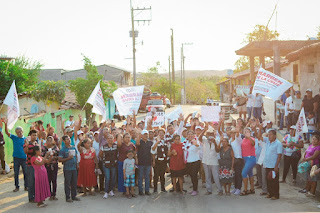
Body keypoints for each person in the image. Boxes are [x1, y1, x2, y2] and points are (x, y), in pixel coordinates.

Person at [4, 120, 28, 192]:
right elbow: (7, 133)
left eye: (20, 131)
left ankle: (26, 186)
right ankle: (17, 187)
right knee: (16, 173)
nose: (19, 133)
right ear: (16, 133)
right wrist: (5, 124)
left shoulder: (25, 139)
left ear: (22, 131)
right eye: (17, 132)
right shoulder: (14, 138)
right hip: (16, 158)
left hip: (24, 158)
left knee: (25, 173)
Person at [199, 125, 223, 195]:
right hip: (205, 161)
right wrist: (204, 130)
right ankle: (209, 190)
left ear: (214, 134)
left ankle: (220, 190)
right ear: (207, 134)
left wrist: (214, 142)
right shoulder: (204, 140)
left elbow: (218, 150)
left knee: (216, 177)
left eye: (211, 134)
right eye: (209, 134)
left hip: (214, 161)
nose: (210, 135)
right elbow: (199, 138)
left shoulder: (217, 140)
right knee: (207, 176)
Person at [262, 129, 283, 200]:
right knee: (268, 180)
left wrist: (276, 166)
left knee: (274, 181)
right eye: (268, 135)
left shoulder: (278, 143)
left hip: (274, 165)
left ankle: (276, 195)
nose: (269, 136)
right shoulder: (268, 142)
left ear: (275, 136)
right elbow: (259, 137)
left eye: (271, 135)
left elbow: (279, 155)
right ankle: (270, 193)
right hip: (267, 164)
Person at [58, 135, 80, 202]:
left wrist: (77, 164)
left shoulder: (73, 147)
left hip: (74, 168)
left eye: (69, 139)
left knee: (74, 182)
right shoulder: (63, 149)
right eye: (67, 139)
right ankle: (68, 197)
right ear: (64, 141)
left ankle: (74, 196)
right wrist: (68, 158)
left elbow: (76, 156)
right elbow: (60, 159)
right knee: (67, 183)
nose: (69, 140)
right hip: (67, 168)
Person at [151, 128, 169, 193]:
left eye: (162, 133)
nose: (161, 134)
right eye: (160, 133)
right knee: (156, 175)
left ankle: (163, 188)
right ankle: (155, 189)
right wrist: (153, 161)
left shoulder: (166, 141)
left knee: (162, 175)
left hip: (163, 161)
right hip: (157, 161)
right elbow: (152, 150)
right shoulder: (155, 141)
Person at [99, 134, 118, 199]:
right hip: (106, 165)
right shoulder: (103, 146)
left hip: (113, 164)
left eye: (111, 138)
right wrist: (104, 160)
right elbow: (100, 154)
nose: (110, 140)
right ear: (107, 140)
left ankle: (111, 190)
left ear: (113, 139)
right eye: (109, 138)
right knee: (107, 178)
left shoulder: (116, 146)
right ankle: (106, 192)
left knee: (113, 178)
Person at [183, 130, 201, 196]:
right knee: (191, 176)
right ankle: (194, 189)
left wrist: (196, 144)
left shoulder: (196, 141)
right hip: (188, 162)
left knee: (194, 176)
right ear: (187, 135)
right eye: (189, 134)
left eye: (191, 134)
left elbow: (199, 146)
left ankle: (195, 190)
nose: (190, 135)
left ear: (194, 135)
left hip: (195, 161)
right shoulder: (185, 142)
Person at [42, 136, 60, 200]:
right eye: (48, 140)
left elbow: (59, 155)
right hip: (47, 165)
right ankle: (49, 194)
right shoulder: (44, 148)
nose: (49, 142)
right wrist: (47, 155)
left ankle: (54, 194)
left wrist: (54, 156)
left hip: (54, 165)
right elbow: (42, 156)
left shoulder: (55, 148)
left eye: (51, 140)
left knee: (54, 180)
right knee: (48, 180)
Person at [24, 130, 39, 202]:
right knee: (31, 182)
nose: (34, 136)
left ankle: (36, 196)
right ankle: (31, 197)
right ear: (30, 136)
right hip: (30, 165)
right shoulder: (27, 143)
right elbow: (26, 152)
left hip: (37, 165)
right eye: (33, 135)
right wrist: (26, 145)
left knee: (36, 181)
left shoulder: (37, 143)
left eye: (35, 135)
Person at [240, 127, 256, 196]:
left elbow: (253, 144)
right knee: (250, 173)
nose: (246, 133)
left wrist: (249, 137)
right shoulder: (243, 139)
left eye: (247, 131)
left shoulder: (252, 139)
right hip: (245, 158)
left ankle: (245, 190)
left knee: (244, 173)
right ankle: (252, 189)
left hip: (251, 158)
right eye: (245, 131)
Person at [136, 130, 152, 196]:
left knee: (147, 177)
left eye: (147, 134)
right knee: (140, 177)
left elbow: (153, 152)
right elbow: (137, 143)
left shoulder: (150, 142)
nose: (146, 135)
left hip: (148, 162)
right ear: (142, 135)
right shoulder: (140, 142)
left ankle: (147, 190)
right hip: (141, 163)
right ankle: (140, 191)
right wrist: (139, 135)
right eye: (144, 134)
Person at [229, 126, 243, 195]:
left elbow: (237, 135)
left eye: (234, 133)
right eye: (231, 133)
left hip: (238, 159)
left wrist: (237, 131)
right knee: (234, 175)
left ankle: (239, 188)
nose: (233, 134)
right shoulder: (230, 141)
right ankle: (235, 187)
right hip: (233, 159)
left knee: (238, 174)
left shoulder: (238, 139)